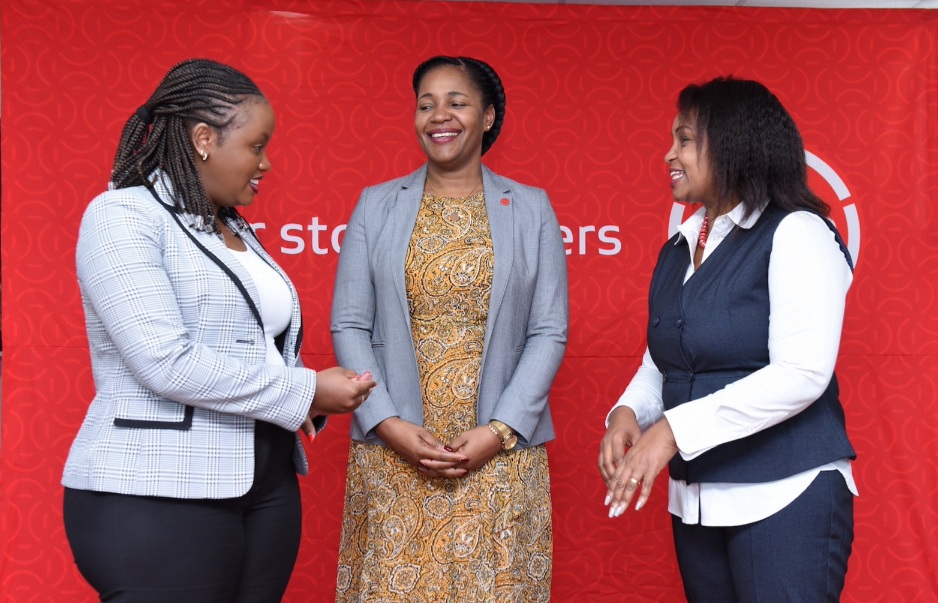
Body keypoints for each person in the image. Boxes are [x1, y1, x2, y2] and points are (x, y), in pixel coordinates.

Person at [61, 58, 375, 602]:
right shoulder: (122, 215)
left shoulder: (231, 227)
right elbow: (165, 360)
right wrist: (305, 390)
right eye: (256, 146)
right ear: (204, 139)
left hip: (266, 483)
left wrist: (315, 394)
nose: (267, 163)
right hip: (155, 494)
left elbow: (245, 344)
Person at [599, 77, 857, 602]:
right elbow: (664, 357)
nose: (669, 154)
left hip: (786, 495)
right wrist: (628, 411)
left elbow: (802, 373)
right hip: (697, 503)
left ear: (735, 143)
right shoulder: (678, 247)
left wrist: (670, 431)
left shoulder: (797, 232)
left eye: (686, 140)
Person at [331, 56, 568, 602]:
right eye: (426, 103)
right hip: (396, 452)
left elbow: (549, 330)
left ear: (487, 117)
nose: (440, 115)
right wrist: (386, 422)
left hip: (499, 454)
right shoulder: (376, 205)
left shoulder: (531, 209)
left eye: (457, 102)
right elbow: (349, 322)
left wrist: (498, 430)